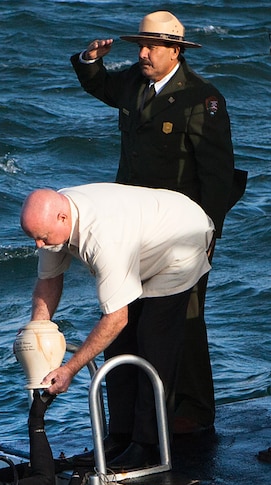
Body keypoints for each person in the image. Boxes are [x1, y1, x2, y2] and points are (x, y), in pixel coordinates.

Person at [69, 10, 245, 435]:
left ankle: (194, 410)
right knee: (133, 317)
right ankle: (137, 418)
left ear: (176, 52)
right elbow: (101, 86)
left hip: (181, 232)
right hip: (131, 224)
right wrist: (90, 60)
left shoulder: (202, 99)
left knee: (185, 317)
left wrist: (209, 233)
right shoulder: (134, 81)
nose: (143, 54)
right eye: (140, 46)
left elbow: (218, 176)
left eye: (152, 47)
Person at [20, 183, 215, 469]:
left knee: (153, 339)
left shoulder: (103, 237)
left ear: (63, 218)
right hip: (143, 240)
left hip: (183, 239)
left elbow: (116, 318)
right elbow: (49, 279)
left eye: (43, 238)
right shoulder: (52, 224)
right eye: (35, 238)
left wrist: (69, 369)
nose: (39, 245)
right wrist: (37, 330)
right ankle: (120, 435)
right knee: (118, 346)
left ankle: (148, 445)